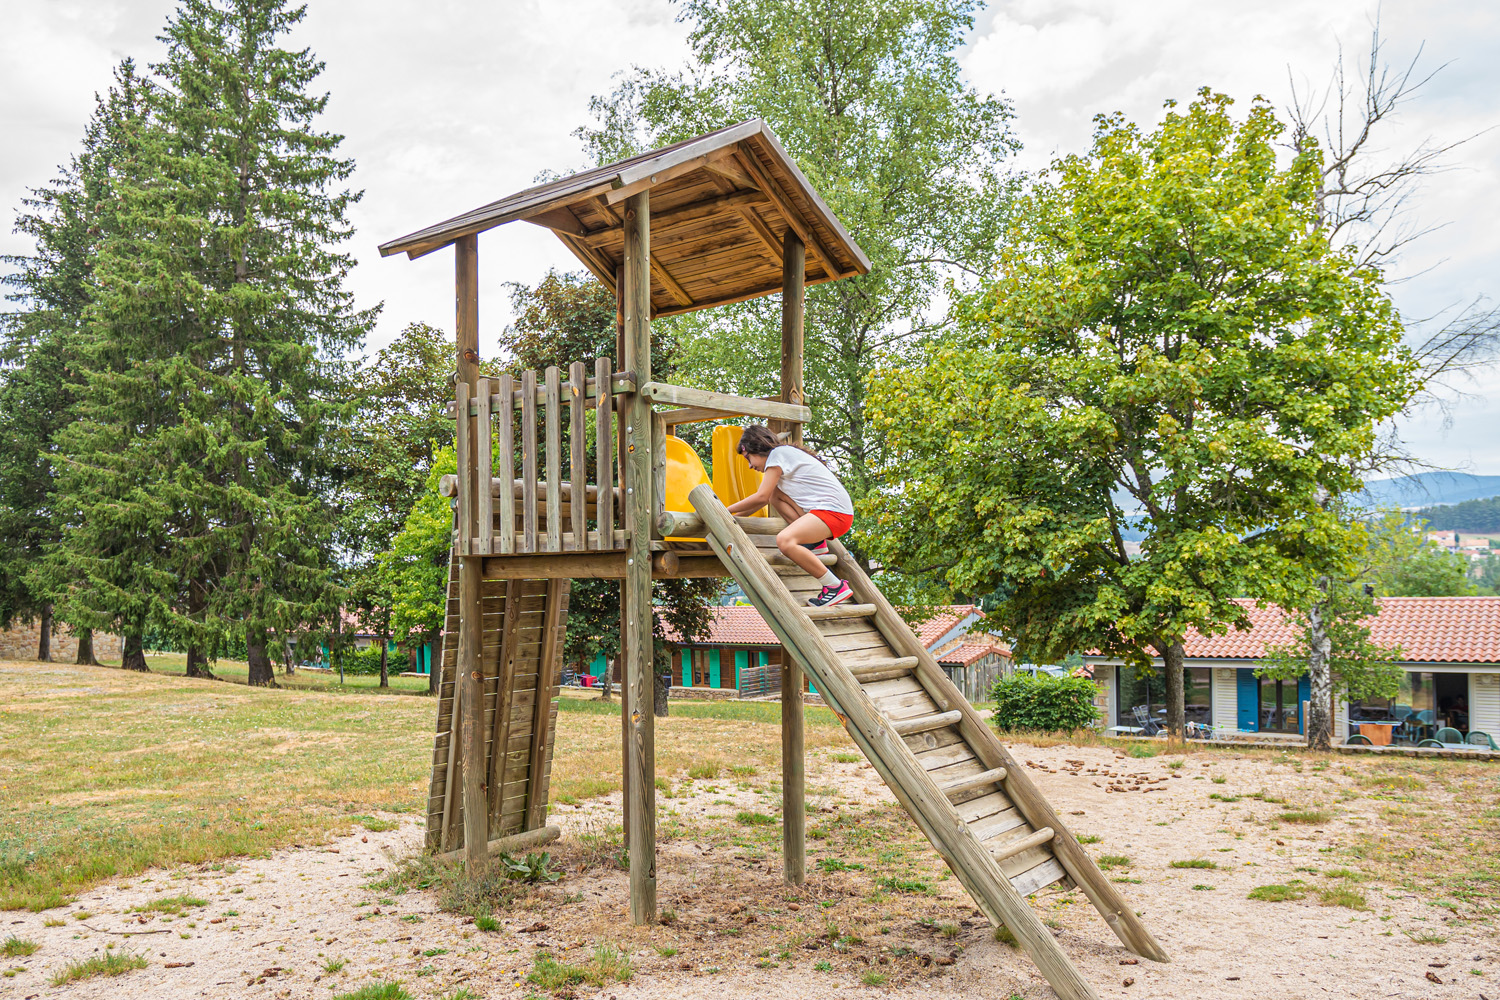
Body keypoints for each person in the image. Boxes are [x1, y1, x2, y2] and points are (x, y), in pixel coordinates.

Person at [727, 425, 855, 608]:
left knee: (785, 541)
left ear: (756, 448)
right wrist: (732, 518)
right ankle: (815, 543)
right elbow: (765, 499)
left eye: (748, 458)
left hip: (833, 513)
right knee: (774, 494)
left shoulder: (777, 456)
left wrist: (723, 509)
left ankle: (834, 586)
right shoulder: (783, 455)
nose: (749, 465)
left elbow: (759, 497)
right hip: (830, 512)